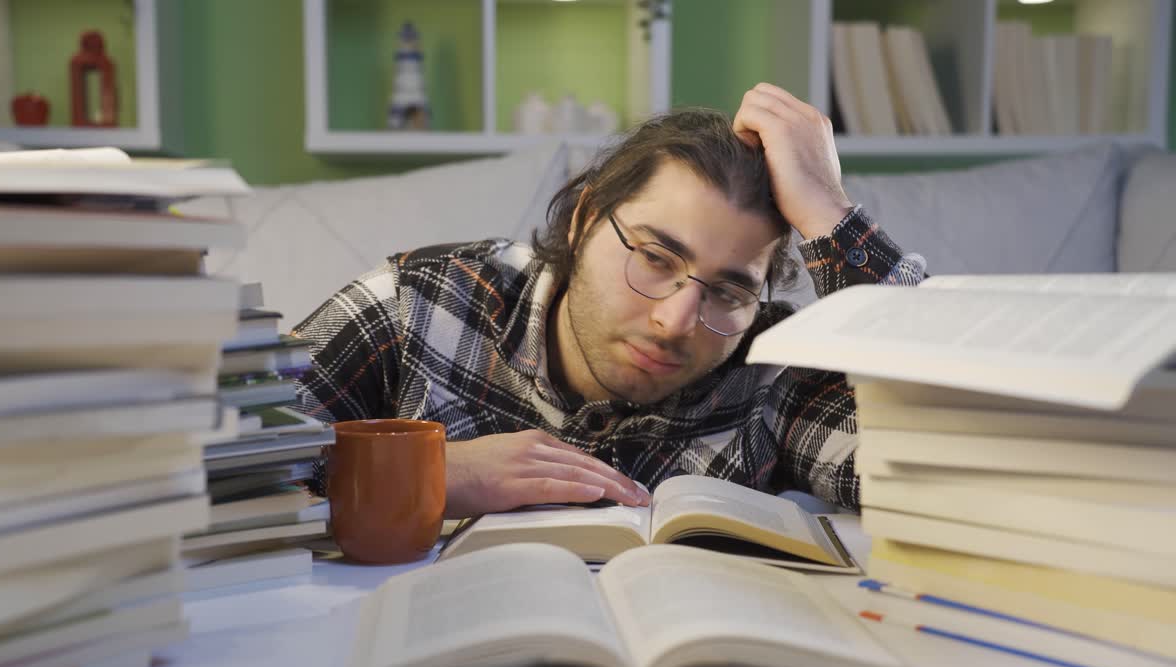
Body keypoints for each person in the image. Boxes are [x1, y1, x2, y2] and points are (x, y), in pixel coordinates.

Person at [294, 84, 926, 517]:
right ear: (586, 219)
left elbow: (960, 477)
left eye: (730, 291)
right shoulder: (419, 304)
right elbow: (221, 464)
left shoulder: (771, 375)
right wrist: (424, 473)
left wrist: (832, 218)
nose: (675, 321)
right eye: (654, 258)